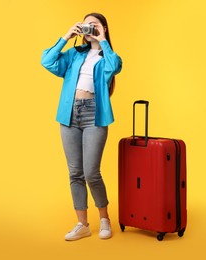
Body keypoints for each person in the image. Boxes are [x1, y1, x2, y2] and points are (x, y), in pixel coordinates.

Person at [41, 12, 122, 241]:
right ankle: (83, 224)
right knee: (75, 173)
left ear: (103, 28)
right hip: (69, 115)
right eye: (85, 25)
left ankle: (104, 219)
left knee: (91, 173)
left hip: (94, 115)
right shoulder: (75, 55)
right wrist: (67, 36)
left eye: (94, 25)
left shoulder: (107, 56)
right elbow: (47, 60)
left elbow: (115, 66)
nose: (89, 28)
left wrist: (103, 39)